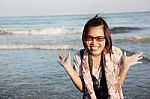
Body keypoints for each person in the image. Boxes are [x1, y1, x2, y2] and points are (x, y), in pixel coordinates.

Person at [58, 14, 143, 99]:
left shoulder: (115, 53)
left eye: (99, 38)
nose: (94, 43)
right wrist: (68, 67)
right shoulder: (79, 57)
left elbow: (117, 86)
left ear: (106, 39)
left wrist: (125, 66)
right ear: (84, 38)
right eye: (89, 38)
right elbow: (83, 89)